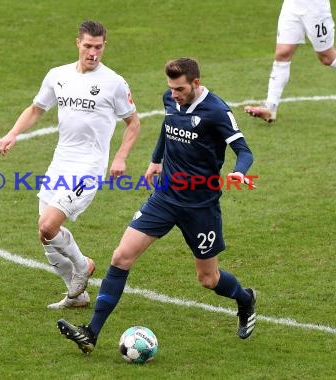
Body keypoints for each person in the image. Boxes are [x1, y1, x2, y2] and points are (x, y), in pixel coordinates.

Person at [57, 57, 257, 355]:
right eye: (171, 88)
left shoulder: (216, 111)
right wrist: (155, 159)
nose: (173, 94)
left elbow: (243, 150)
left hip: (200, 206)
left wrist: (239, 171)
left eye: (179, 89)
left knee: (208, 279)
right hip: (164, 197)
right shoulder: (170, 99)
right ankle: (91, 333)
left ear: (196, 84)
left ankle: (245, 299)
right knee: (121, 256)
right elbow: (167, 127)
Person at [0, 20, 140, 309]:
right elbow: (37, 109)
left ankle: (83, 265)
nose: (93, 53)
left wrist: (121, 156)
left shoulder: (113, 82)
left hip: (89, 167)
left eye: (98, 47)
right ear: (78, 43)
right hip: (60, 163)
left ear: (104, 46)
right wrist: (12, 134)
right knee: (44, 235)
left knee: (49, 225)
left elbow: (133, 123)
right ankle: (78, 296)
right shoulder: (58, 75)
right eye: (88, 46)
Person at [244, 0, 336, 123]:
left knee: (327, 57)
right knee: (283, 53)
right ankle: (270, 107)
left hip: (316, 9)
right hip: (292, 5)